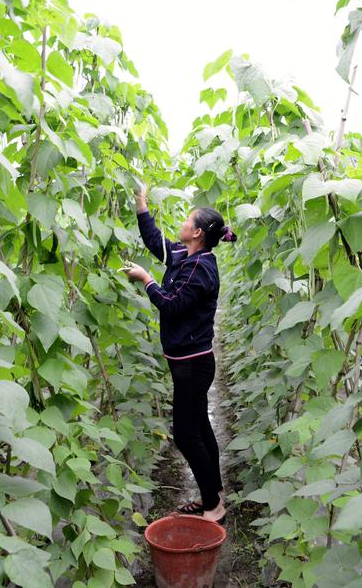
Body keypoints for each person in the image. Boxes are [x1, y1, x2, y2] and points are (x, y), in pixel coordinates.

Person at [122, 186, 237, 525]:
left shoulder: (201, 269)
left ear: (198, 232)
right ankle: (212, 494)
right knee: (200, 427)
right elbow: (154, 241)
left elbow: (172, 306)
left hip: (193, 366)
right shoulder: (186, 255)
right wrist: (141, 206)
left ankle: (214, 507)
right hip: (187, 364)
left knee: (186, 434)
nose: (183, 223)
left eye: (188, 220)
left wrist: (145, 279)